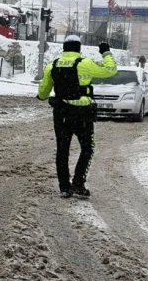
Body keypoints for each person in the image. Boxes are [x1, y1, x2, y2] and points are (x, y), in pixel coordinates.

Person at [37, 35, 117, 199]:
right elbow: (111, 70)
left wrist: (43, 94)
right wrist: (106, 52)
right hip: (83, 113)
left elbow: (43, 92)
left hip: (61, 113)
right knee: (87, 148)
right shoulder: (85, 63)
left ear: (64, 48)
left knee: (62, 150)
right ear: (79, 48)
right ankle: (78, 183)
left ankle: (64, 188)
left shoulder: (52, 65)